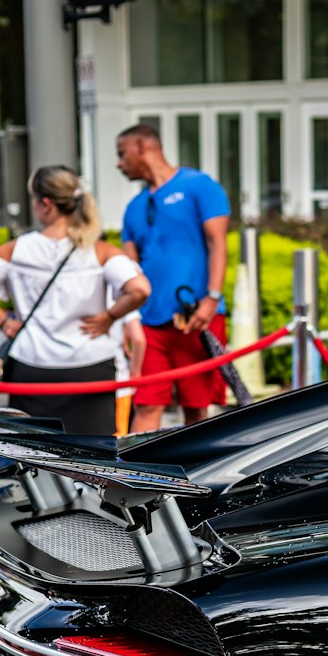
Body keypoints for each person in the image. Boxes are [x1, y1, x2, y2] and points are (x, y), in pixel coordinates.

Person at [0, 165, 149, 436]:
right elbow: (139, 289)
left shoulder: (19, 248)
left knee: (33, 454)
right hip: (90, 366)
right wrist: (110, 316)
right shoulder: (99, 250)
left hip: (33, 366)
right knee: (91, 457)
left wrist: (3, 322)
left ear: (45, 204)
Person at [116, 123, 230, 434]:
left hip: (195, 317)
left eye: (122, 154)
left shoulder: (200, 186)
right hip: (150, 323)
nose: (118, 163)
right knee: (146, 404)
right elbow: (130, 266)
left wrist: (212, 299)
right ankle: (135, 479)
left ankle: (198, 478)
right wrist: (128, 320)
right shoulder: (133, 208)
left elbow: (217, 243)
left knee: (196, 407)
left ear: (142, 147)